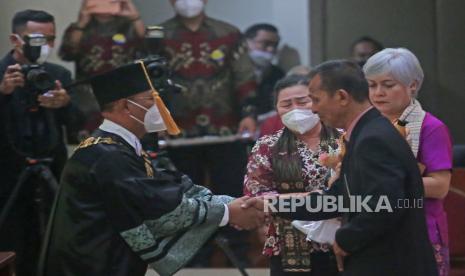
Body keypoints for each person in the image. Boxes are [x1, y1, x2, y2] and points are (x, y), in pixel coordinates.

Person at [43, 59, 265, 276]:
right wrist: (228, 212)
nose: (160, 107)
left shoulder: (120, 147)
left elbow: (168, 187)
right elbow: (161, 209)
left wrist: (229, 204)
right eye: (151, 100)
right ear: (126, 106)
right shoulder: (106, 155)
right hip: (93, 264)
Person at [254, 60, 438, 275]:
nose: (312, 108)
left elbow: (386, 204)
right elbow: (338, 198)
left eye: (316, 99)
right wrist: (269, 205)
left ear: (342, 97)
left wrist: (345, 239)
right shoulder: (363, 133)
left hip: (390, 263)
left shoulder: (373, 138)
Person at [153, 0, 258, 266]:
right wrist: (157, 119)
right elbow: (150, 81)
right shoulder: (157, 35)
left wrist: (248, 113)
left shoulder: (228, 33)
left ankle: (238, 254)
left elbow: (244, 76)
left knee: (232, 188)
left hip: (225, 129)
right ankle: (190, 256)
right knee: (184, 195)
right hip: (178, 132)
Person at [0, 10, 83, 276]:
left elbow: (78, 124)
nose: (44, 46)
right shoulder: (2, 74)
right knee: (13, 240)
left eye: (50, 39)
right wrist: (2, 94)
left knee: (58, 239)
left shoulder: (58, 74)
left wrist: (65, 104)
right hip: (8, 172)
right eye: (36, 39)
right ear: (16, 39)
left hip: (53, 166)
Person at [363, 48, 452, 276]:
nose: (378, 93)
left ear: (412, 85)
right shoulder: (365, 125)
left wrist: (383, 184)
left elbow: (440, 187)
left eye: (388, 85)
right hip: (374, 228)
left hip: (419, 230)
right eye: (372, 85)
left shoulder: (431, 127)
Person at [244, 75, 339, 275]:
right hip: (289, 248)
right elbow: (257, 196)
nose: (295, 109)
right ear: (277, 109)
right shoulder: (267, 146)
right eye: (286, 104)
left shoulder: (343, 139)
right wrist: (319, 200)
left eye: (303, 101)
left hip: (341, 243)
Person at [59, 0, 146, 131]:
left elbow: (149, 48)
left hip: (123, 93)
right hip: (87, 96)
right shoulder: (78, 28)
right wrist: (81, 22)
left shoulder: (129, 26)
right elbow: (67, 53)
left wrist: (135, 16)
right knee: (90, 142)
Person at [245, 23, 285, 116]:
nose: (271, 49)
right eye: (265, 43)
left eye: (275, 45)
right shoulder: (232, 71)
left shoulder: (277, 74)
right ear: (246, 43)